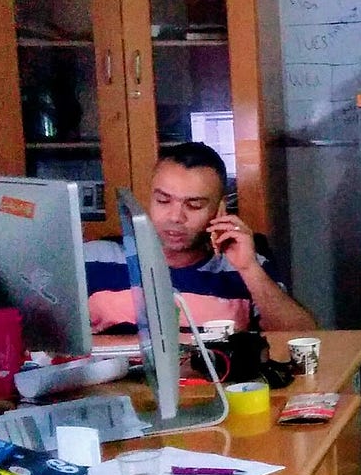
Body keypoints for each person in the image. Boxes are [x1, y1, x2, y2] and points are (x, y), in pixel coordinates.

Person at [86, 142, 317, 334]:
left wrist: (249, 269)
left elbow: (302, 338)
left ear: (219, 209)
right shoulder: (93, 259)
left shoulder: (244, 267)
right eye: (163, 201)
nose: (176, 217)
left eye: (194, 205)